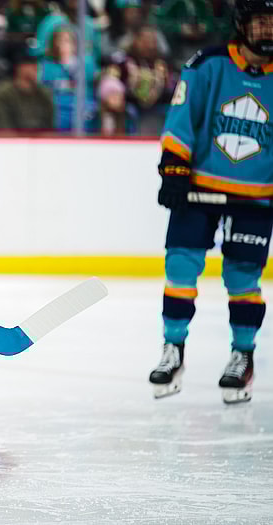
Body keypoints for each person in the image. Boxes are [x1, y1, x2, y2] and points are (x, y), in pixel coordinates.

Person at [149, 0, 273, 404]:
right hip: (199, 187)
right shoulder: (208, 64)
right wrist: (174, 170)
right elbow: (181, 119)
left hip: (255, 195)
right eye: (261, 22)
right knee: (180, 266)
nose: (268, 30)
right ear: (241, 24)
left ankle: (243, 354)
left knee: (242, 278)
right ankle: (173, 349)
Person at [0, 46, 55, 131]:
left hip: (40, 141)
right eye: (31, 64)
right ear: (20, 68)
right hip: (12, 141)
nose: (36, 68)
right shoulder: (5, 93)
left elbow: (50, 126)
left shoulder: (44, 93)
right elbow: (3, 126)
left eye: (36, 65)